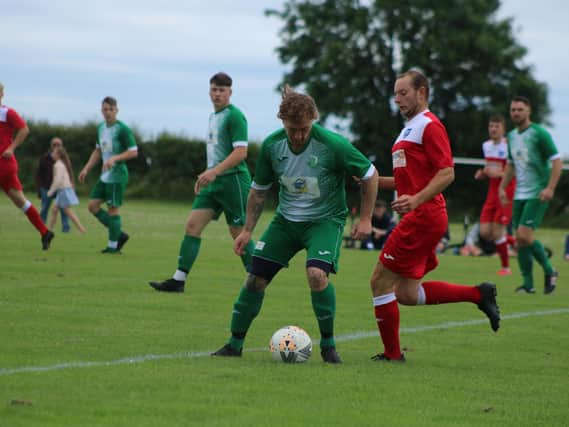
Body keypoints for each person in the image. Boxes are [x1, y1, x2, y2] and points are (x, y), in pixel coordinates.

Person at [211, 86, 379, 363]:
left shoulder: (332, 144)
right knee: (254, 279)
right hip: (286, 222)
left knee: (316, 275)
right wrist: (247, 231)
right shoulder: (271, 146)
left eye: (304, 129)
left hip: (325, 221)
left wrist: (365, 218)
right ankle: (233, 345)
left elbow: (370, 174)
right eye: (293, 129)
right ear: (282, 123)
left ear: (313, 120)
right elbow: (259, 191)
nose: (299, 135)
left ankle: (328, 346)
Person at [368, 70, 500, 363]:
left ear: (422, 92)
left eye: (404, 93)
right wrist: (368, 179)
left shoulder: (429, 125)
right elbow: (407, 181)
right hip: (422, 216)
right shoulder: (408, 129)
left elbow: (447, 172)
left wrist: (415, 200)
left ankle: (392, 355)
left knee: (379, 281)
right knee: (405, 292)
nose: (397, 99)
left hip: (423, 216)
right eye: (395, 93)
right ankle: (479, 294)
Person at [149, 72, 255, 293]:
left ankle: (257, 279)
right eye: (214, 89)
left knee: (238, 233)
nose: (217, 94)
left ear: (230, 93)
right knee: (192, 226)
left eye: (222, 90)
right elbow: (218, 154)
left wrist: (214, 171)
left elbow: (241, 152)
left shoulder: (235, 116)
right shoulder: (213, 116)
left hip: (233, 182)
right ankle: (178, 280)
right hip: (214, 182)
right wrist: (207, 174)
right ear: (209, 90)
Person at [499, 95, 562, 294]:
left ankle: (550, 270)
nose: (516, 113)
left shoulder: (539, 134)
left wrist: (550, 188)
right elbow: (510, 164)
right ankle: (528, 285)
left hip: (538, 192)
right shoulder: (510, 136)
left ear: (529, 111)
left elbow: (557, 160)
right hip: (519, 194)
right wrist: (502, 187)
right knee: (520, 241)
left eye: (520, 109)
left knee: (524, 235)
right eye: (513, 110)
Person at [78, 96, 138, 253]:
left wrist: (115, 158)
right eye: (105, 109)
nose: (108, 112)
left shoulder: (123, 129)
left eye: (111, 109)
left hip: (117, 175)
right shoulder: (100, 128)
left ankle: (113, 247)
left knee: (113, 209)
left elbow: (133, 151)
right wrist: (86, 168)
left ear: (117, 110)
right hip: (105, 175)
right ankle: (119, 234)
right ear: (101, 111)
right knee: (92, 206)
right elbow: (98, 151)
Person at [0, 82, 54, 250]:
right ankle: (45, 232)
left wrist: (11, 148)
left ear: (1, 94)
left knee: (21, 202)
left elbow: (24, 129)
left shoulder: (7, 112)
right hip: (5, 165)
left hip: (4, 163)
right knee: (21, 202)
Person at [474, 115, 516, 275]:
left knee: (498, 231)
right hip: (492, 194)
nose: (493, 129)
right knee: (485, 233)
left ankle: (506, 268)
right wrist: (482, 173)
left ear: (503, 129)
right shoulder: (487, 145)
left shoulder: (509, 146)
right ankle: (517, 242)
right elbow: (489, 169)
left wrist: (497, 174)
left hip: (506, 192)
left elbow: (514, 171)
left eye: (496, 126)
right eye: (491, 126)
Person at [36, 137, 72, 233]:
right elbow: (39, 174)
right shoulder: (44, 158)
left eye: (58, 145)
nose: (56, 146)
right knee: (44, 209)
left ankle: (66, 229)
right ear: (51, 146)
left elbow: (69, 173)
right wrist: (39, 188)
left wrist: (71, 185)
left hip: (61, 188)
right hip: (46, 188)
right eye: (54, 145)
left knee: (64, 210)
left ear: (62, 146)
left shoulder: (65, 159)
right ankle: (41, 228)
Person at [47, 146, 85, 233]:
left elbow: (58, 180)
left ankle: (81, 229)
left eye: (54, 153)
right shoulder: (60, 164)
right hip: (62, 190)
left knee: (67, 210)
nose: (52, 154)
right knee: (54, 210)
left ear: (59, 155)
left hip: (63, 190)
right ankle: (49, 230)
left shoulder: (58, 165)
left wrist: (51, 191)